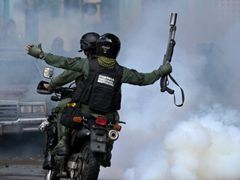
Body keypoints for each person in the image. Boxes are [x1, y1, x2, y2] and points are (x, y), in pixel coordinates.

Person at [26, 32, 172, 165]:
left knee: (65, 110)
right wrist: (161, 71)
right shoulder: (121, 72)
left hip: (85, 111)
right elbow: (144, 79)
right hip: (107, 115)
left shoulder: (87, 64)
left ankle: (63, 142)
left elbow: (63, 61)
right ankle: (107, 151)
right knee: (114, 121)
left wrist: (41, 54)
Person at [42, 32, 100, 169]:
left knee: (61, 110)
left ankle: (62, 143)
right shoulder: (112, 67)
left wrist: (50, 85)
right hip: (104, 108)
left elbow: (63, 78)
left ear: (85, 48)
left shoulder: (85, 64)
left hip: (84, 105)